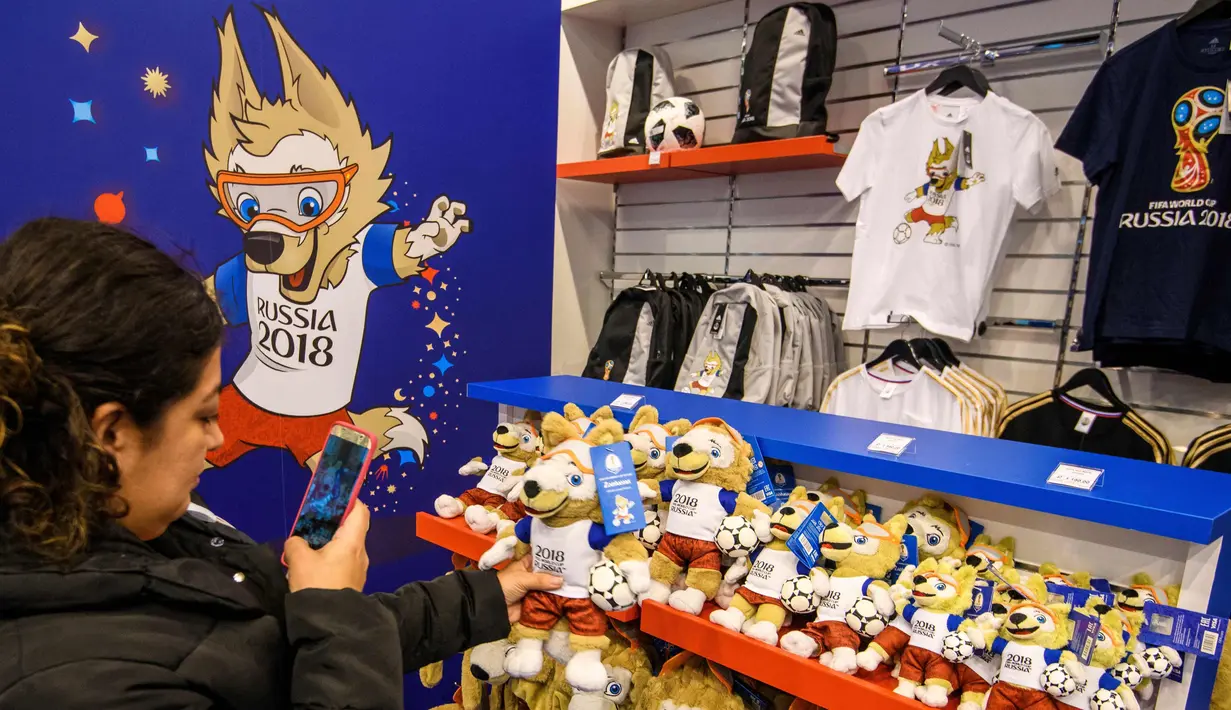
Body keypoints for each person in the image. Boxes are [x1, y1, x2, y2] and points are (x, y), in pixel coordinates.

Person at [0, 218, 560, 709]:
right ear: (112, 435)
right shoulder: (74, 681)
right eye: (200, 415)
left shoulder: (142, 527)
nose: (217, 436)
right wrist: (334, 605)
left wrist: (480, 599)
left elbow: (276, 643)